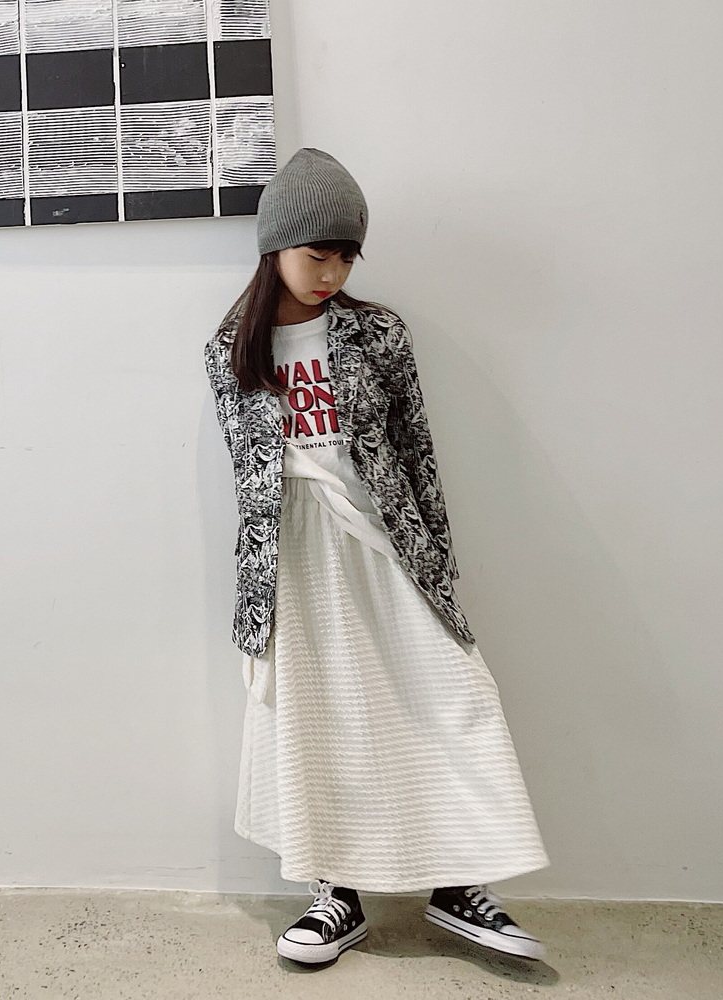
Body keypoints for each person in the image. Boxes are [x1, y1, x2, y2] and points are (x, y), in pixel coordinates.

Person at [203, 147, 550, 966]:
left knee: (448, 696)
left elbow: (419, 454)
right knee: (318, 715)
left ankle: (457, 884)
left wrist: (439, 567)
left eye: (347, 257)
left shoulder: (379, 333)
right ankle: (336, 895)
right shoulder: (229, 350)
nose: (332, 273)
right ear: (275, 247)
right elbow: (250, 481)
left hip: (385, 542)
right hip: (295, 555)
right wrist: (253, 596)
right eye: (318, 254)